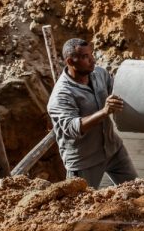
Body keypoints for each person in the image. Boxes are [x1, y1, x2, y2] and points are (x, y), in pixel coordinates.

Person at [47, 38, 138, 188]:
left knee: (136, 189)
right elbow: (72, 127)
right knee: (82, 204)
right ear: (70, 62)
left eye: (91, 54)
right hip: (84, 160)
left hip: (113, 149)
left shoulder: (99, 74)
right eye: (85, 57)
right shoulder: (61, 95)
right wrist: (104, 111)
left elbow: (118, 91)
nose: (92, 60)